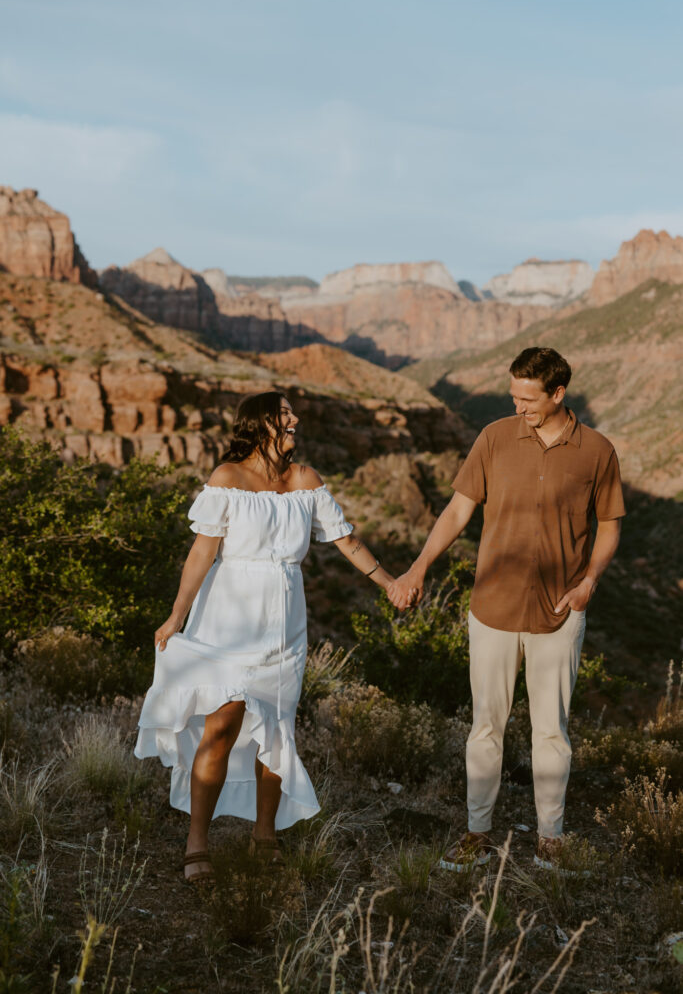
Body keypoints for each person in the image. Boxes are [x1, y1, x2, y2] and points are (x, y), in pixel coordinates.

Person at [135, 391, 393, 883]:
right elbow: (201, 554)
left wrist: (391, 583)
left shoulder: (305, 480)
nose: (294, 419)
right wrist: (175, 616)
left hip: (283, 623)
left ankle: (265, 835)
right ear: (260, 423)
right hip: (227, 619)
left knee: (276, 728)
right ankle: (197, 842)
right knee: (221, 725)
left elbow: (347, 541)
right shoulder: (227, 479)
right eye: (284, 414)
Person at [388, 347, 625, 871]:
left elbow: (610, 524)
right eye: (513, 395)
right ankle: (477, 832)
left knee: (551, 731)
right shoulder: (494, 437)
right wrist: (419, 566)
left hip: (559, 612)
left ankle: (551, 839)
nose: (518, 405)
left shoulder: (597, 451)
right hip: (491, 608)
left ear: (558, 393)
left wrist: (590, 582)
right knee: (485, 727)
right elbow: (459, 509)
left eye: (528, 398)